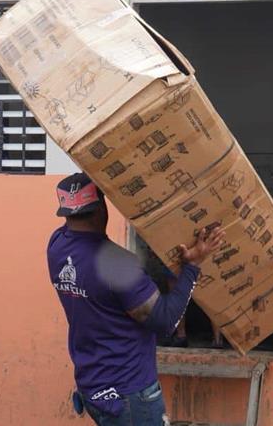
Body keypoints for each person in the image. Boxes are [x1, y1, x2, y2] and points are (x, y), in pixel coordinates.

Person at [47, 172, 225, 426]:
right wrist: (192, 266)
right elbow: (165, 321)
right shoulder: (116, 263)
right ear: (101, 209)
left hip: (92, 388)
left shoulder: (56, 246)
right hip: (129, 393)